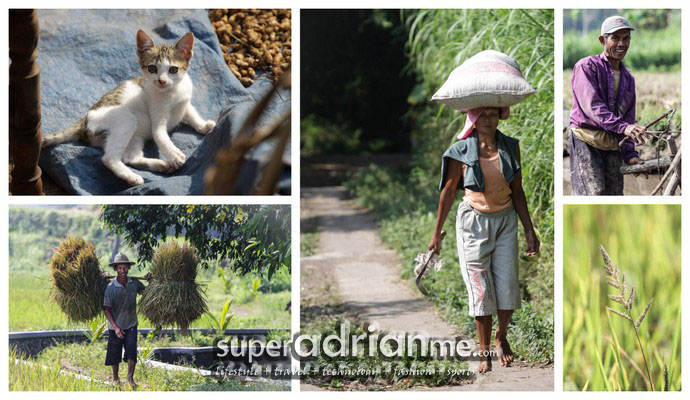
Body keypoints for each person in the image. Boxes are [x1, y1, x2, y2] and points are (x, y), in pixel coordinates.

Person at [428, 107, 540, 373]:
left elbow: (518, 191)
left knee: (508, 286)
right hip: (473, 224)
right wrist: (436, 233)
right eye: (482, 115)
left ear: (500, 116)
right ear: (472, 119)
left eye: (492, 113)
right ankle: (484, 350)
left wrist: (529, 229)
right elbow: (447, 193)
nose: (487, 119)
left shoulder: (510, 147)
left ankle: (501, 336)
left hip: (505, 221)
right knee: (481, 290)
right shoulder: (461, 151)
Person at [569, 15, 649, 195]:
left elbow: (628, 118)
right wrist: (624, 127)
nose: (621, 43)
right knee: (593, 195)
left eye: (626, 38)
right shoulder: (586, 67)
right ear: (602, 40)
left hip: (613, 143)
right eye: (615, 38)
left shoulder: (628, 79)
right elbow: (593, 107)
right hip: (587, 139)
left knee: (615, 195)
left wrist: (630, 155)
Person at [103, 253, 149, 388]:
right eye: (120, 268)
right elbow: (106, 309)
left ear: (128, 268)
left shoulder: (134, 283)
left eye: (125, 268)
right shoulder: (111, 288)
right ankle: (115, 379)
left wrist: (150, 280)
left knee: (131, 352)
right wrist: (116, 327)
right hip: (115, 326)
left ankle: (130, 379)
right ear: (116, 269)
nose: (123, 271)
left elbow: (147, 292)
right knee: (114, 353)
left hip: (131, 324)